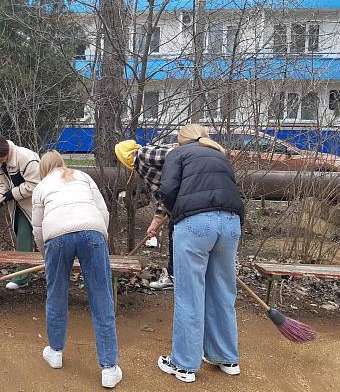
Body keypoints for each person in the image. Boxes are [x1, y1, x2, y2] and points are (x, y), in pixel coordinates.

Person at [155, 124, 244, 384]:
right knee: (223, 292)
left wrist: (175, 213)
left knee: (190, 294)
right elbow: (233, 193)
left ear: (181, 140)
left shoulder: (178, 154)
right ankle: (226, 358)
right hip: (230, 223)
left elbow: (168, 190)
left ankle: (183, 364)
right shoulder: (220, 154)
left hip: (194, 224)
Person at [32, 151, 122, 389]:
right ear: (62, 163)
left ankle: (56, 352)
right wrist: (100, 235)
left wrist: (46, 253)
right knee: (101, 297)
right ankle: (109, 368)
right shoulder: (83, 176)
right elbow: (103, 211)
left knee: (57, 294)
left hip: (56, 238)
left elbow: (38, 227)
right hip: (92, 231)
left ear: (43, 168)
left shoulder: (41, 187)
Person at [115, 139, 175, 290]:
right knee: (174, 233)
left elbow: (175, 154)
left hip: (188, 198)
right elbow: (164, 194)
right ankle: (174, 275)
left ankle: (174, 277)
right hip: (178, 202)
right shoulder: (141, 167)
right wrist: (155, 222)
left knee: (176, 235)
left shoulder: (142, 154)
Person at [0, 135, 41, 290]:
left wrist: (13, 193)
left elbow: (36, 184)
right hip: (18, 205)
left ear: (6, 152)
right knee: (22, 235)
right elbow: (2, 183)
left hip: (35, 204)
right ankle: (22, 275)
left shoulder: (28, 159)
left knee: (38, 237)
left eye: (0, 157)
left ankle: (26, 276)